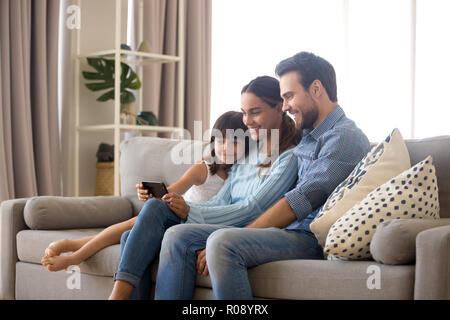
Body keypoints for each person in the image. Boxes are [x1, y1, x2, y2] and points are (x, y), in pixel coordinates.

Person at [154, 52, 371, 300]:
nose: (286, 106)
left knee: (223, 243)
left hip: (309, 237)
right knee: (176, 234)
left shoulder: (343, 137)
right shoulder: (308, 137)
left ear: (316, 89)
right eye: (282, 98)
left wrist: (242, 232)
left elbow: (300, 200)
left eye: (289, 96)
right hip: (288, 230)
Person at [108, 76, 301, 300]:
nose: (247, 121)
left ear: (279, 108)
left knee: (176, 235)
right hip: (220, 218)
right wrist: (181, 205)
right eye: (244, 112)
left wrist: (190, 212)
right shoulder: (250, 153)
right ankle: (119, 296)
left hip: (241, 226)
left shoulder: (288, 158)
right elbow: (221, 200)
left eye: (255, 112)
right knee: (146, 217)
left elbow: (252, 209)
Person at [40, 111, 249, 272]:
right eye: (221, 140)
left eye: (235, 141)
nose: (226, 147)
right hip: (179, 215)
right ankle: (74, 255)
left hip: (199, 227)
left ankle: (72, 244)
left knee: (131, 227)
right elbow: (172, 192)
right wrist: (152, 195)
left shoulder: (243, 175)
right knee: (131, 224)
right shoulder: (203, 169)